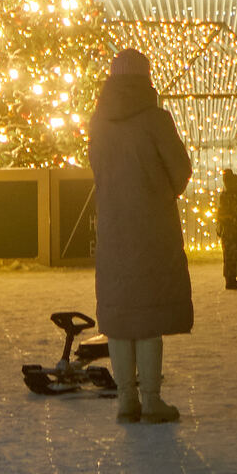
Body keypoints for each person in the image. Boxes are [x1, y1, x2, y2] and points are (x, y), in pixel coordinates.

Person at [89, 48, 192, 424]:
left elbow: (97, 170)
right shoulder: (156, 119)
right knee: (149, 314)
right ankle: (151, 400)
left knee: (120, 313)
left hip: (114, 227)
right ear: (146, 78)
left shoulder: (98, 122)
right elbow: (180, 171)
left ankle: (125, 400)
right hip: (152, 227)